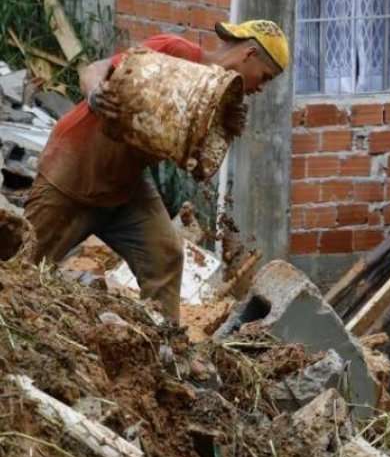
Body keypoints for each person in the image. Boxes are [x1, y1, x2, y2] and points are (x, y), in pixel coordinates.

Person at [24, 20, 289, 323]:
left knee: (165, 257)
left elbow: (196, 163)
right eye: (265, 77)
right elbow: (96, 68)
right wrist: (95, 92)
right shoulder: (176, 52)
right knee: (21, 264)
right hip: (73, 172)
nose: (261, 88)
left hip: (126, 185)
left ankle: (165, 348)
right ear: (250, 53)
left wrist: (222, 129)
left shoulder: (216, 98)